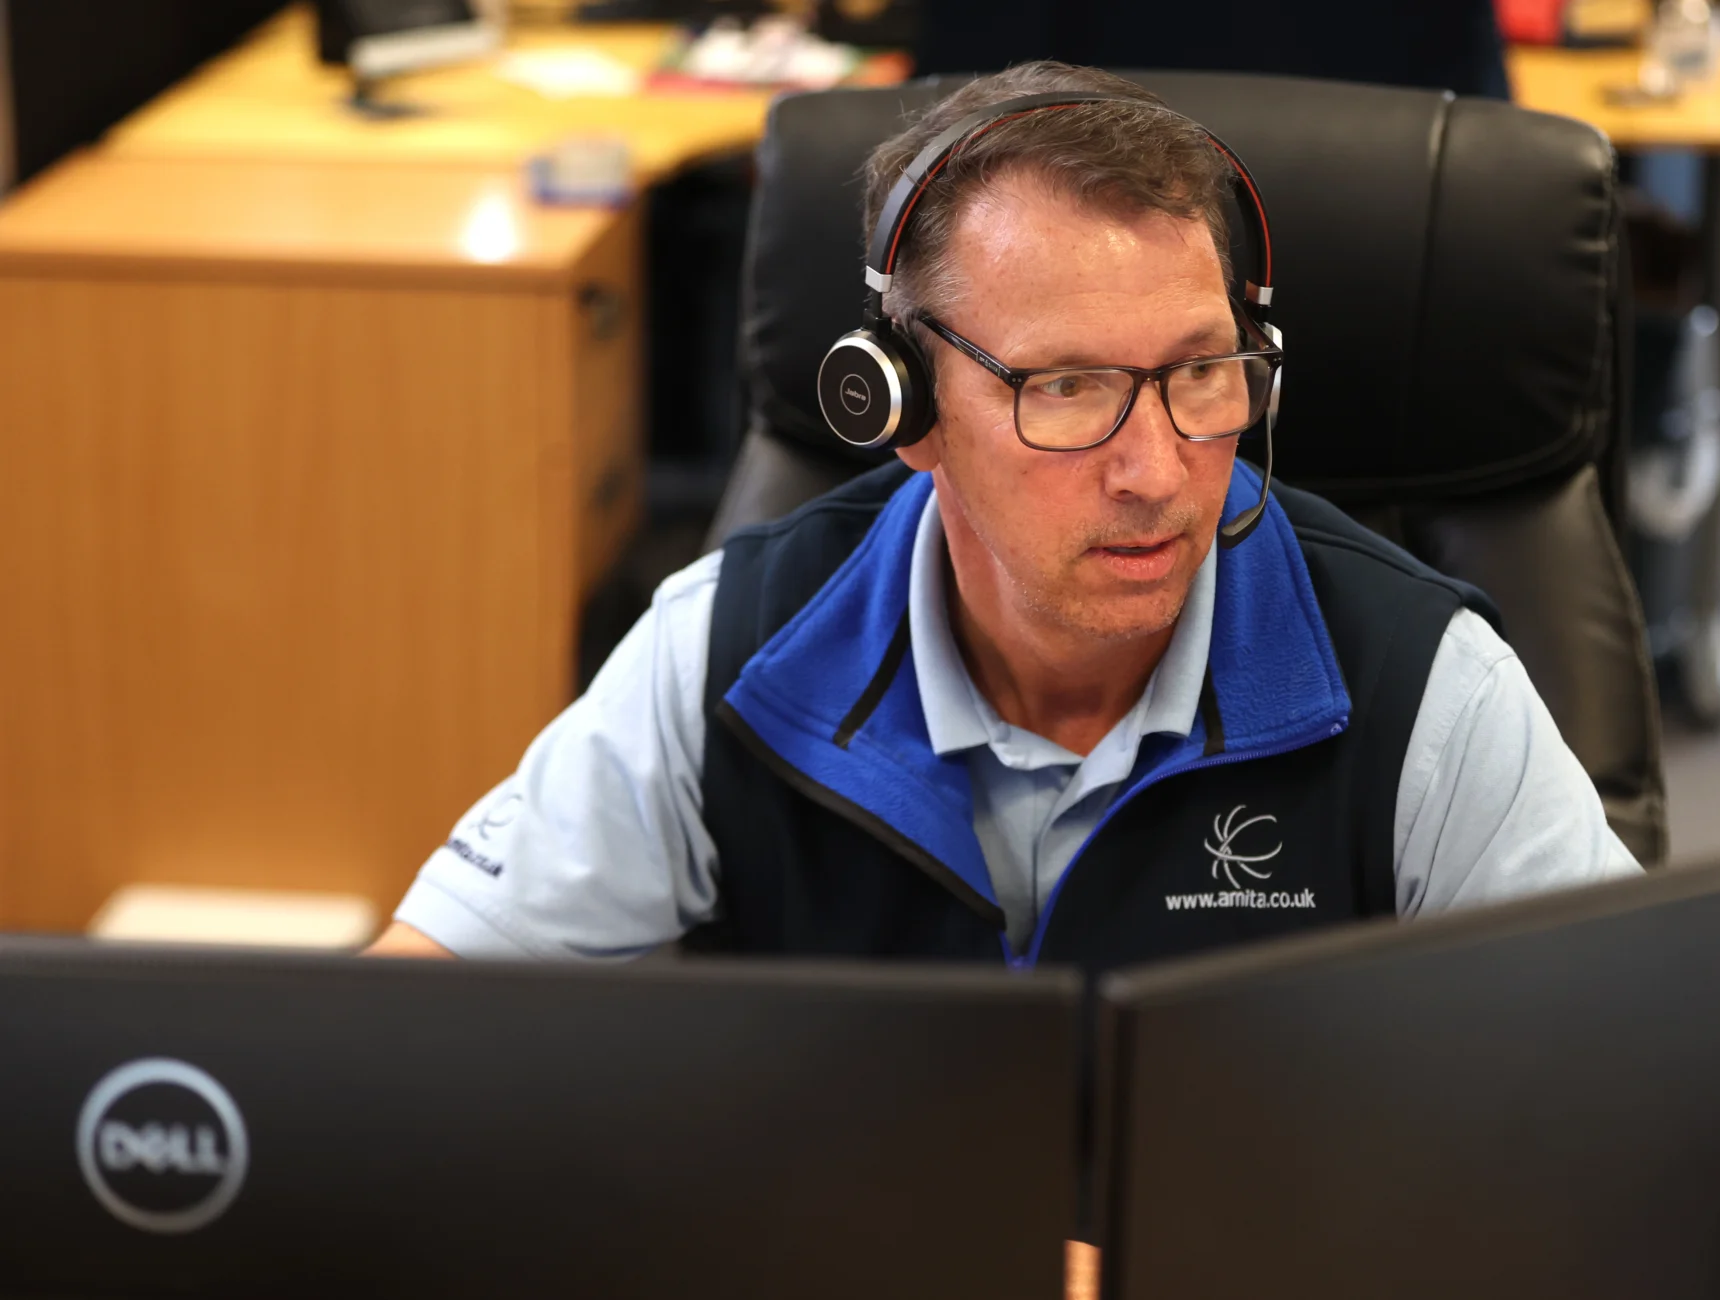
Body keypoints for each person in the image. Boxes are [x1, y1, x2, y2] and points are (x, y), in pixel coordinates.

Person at [368, 63, 1639, 967]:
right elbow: (410, 1022)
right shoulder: (732, 650)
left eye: (1201, 372)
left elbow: (1629, 1099)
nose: (1156, 468)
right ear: (902, 408)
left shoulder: (1424, 689)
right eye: (1067, 388)